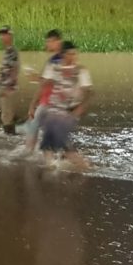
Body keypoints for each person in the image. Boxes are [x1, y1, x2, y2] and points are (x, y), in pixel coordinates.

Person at [40, 41, 93, 169]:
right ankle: (54, 167)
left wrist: (80, 109)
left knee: (60, 142)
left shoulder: (80, 71)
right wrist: (35, 104)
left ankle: (84, 167)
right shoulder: (53, 67)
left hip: (68, 112)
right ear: (63, 55)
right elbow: (45, 84)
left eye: (75, 54)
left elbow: (89, 93)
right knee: (48, 142)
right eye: (71, 54)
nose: (74, 56)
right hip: (53, 110)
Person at [19, 29, 64, 153]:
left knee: (34, 126)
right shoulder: (55, 60)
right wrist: (33, 104)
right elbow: (45, 84)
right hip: (50, 101)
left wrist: (37, 78)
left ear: (57, 41)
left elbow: (52, 81)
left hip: (52, 102)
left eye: (49, 42)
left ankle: (29, 153)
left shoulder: (59, 60)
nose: (47, 45)